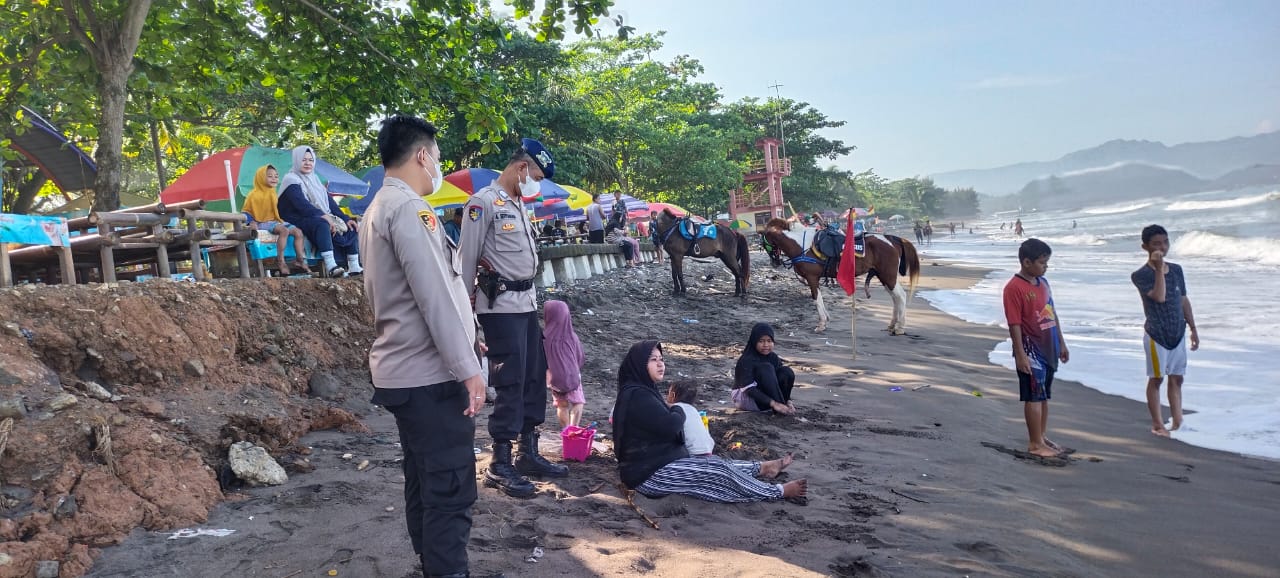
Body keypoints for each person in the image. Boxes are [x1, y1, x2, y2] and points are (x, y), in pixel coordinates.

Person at [358, 115, 486, 578]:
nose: (438, 166)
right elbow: (434, 296)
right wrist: (467, 366)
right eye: (437, 157)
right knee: (450, 487)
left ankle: (430, 564)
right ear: (420, 155)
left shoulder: (376, 209)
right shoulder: (411, 209)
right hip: (430, 374)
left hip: (401, 369)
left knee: (424, 479)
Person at [459, 137, 568, 498]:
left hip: (525, 304)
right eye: (535, 175)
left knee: (534, 377)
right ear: (522, 169)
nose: (536, 183)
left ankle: (527, 451)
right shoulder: (483, 204)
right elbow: (466, 262)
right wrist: (469, 317)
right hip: (499, 306)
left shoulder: (519, 204)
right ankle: (499, 462)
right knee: (510, 380)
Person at [613, 340, 805, 502]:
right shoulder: (638, 395)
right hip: (649, 476)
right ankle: (776, 492)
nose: (660, 364)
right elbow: (671, 426)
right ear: (639, 364)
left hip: (661, 464)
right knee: (718, 473)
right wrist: (678, 407)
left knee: (715, 463)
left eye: (661, 359)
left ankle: (764, 468)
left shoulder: (643, 390)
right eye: (653, 360)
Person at [1002, 238, 1070, 458]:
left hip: (1049, 346)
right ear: (1026, 262)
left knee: (1043, 396)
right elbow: (1014, 323)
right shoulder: (1014, 288)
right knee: (1033, 395)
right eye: (1042, 262)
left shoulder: (1044, 283)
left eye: (1047, 262)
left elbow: (1052, 312)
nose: (1045, 267)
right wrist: (1020, 354)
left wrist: (1061, 342)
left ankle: (1041, 436)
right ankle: (1034, 443)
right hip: (1030, 350)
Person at [1131, 224, 1199, 438]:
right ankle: (1158, 424)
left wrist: (1193, 328)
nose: (1163, 247)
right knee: (1157, 378)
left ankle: (1178, 421)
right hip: (1156, 334)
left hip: (1177, 331)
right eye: (1156, 244)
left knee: (1177, 378)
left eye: (1165, 242)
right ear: (1145, 247)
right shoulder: (1141, 274)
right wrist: (1159, 268)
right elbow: (1159, 296)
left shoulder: (1177, 270)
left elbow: (1183, 300)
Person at [277, 145, 362, 277]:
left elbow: (331, 204)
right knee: (322, 224)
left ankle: (354, 266)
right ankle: (331, 266)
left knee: (351, 226)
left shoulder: (315, 179)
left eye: (311, 160)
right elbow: (302, 205)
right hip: (298, 217)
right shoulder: (291, 179)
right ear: (297, 160)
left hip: (314, 215)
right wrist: (323, 216)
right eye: (304, 160)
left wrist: (346, 219)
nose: (307, 163)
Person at [242, 164, 310, 276]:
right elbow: (246, 211)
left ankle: (300, 260)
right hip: (262, 223)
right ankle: (281, 261)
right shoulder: (253, 195)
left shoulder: (273, 193)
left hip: (276, 221)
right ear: (261, 177)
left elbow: (277, 212)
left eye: (276, 176)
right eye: (270, 176)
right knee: (284, 231)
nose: (274, 178)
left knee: (298, 232)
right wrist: (251, 222)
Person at [732, 323, 797, 415]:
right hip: (746, 398)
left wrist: (788, 400)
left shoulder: (773, 357)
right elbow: (748, 389)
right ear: (754, 341)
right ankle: (779, 408)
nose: (766, 345)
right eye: (761, 341)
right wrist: (773, 403)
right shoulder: (746, 359)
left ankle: (784, 405)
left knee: (786, 372)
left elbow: (778, 381)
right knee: (766, 368)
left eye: (769, 341)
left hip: (765, 398)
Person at [543, 300, 585, 431]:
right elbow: (580, 357)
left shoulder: (544, 338)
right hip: (572, 376)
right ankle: (574, 428)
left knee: (561, 405)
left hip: (554, 379)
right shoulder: (572, 337)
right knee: (578, 401)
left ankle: (565, 430)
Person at [667, 381, 713, 456]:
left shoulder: (674, 408)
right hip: (708, 451)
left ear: (672, 395)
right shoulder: (694, 411)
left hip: (691, 455)